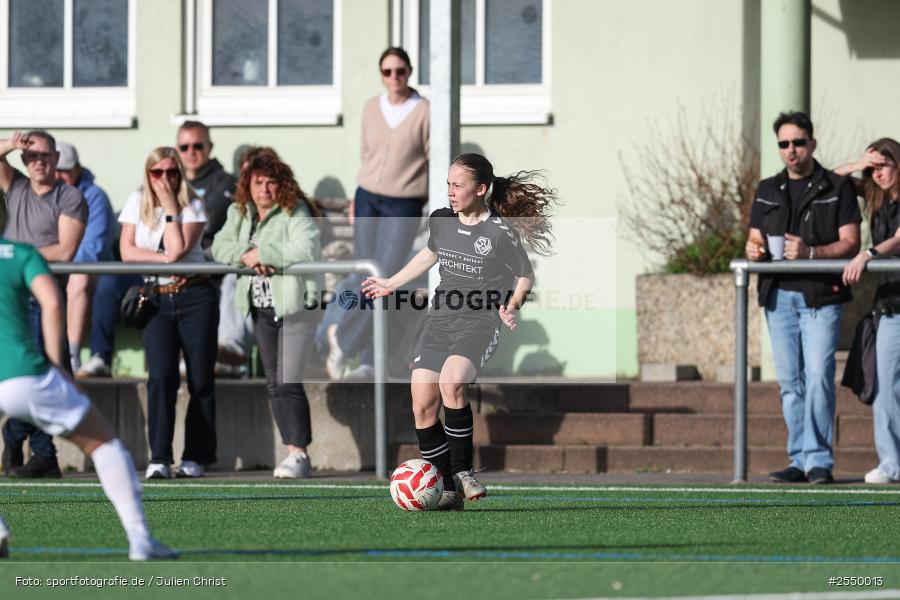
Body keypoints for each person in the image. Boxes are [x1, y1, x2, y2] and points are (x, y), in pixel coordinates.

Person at [362, 153, 556, 509]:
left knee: (452, 383)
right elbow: (428, 255)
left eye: (457, 185)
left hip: (479, 322)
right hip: (440, 321)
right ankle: (446, 487)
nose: (450, 191)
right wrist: (391, 283)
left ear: (481, 189)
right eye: (448, 184)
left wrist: (512, 305)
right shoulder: (441, 221)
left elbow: (526, 275)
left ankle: (463, 471)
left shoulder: (499, 233)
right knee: (422, 404)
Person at [0, 232, 176, 560]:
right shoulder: (23, 254)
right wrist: (58, 367)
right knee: (105, 444)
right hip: (24, 371)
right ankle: (141, 541)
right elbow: (52, 301)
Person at [745, 111, 861, 484]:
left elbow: (851, 242)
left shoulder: (837, 187)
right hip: (779, 297)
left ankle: (819, 461)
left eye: (797, 142)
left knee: (818, 377)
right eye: (784, 144)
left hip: (821, 297)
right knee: (790, 383)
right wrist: (753, 251)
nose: (791, 150)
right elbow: (755, 238)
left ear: (812, 143)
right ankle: (799, 457)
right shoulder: (767, 189)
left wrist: (811, 253)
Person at [212, 154, 323, 478]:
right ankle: (292, 451)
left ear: (282, 184)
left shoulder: (295, 210)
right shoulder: (240, 212)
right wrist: (249, 257)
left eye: (271, 182)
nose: (264, 189)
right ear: (248, 184)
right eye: (258, 182)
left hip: (296, 307)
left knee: (288, 381)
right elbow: (219, 247)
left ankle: (299, 453)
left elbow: (306, 249)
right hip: (261, 307)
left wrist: (268, 256)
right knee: (274, 383)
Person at [322, 46, 429, 381]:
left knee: (385, 277)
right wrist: (358, 199)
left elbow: (433, 156)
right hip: (368, 198)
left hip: (404, 203)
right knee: (365, 276)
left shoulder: (424, 111)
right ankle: (367, 361)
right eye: (387, 72)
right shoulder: (371, 107)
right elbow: (366, 153)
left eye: (400, 71)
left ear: (410, 72)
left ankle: (342, 339)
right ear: (381, 74)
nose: (394, 77)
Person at [119, 147, 218, 479]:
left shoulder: (194, 203)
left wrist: (173, 209)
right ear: (148, 174)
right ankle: (159, 457)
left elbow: (178, 249)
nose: (165, 179)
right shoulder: (137, 201)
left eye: (172, 172)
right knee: (160, 378)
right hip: (157, 298)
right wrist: (163, 259)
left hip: (195, 296)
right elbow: (126, 251)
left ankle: (196, 456)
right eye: (158, 173)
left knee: (200, 378)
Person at [0, 131, 87, 479]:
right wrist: (11, 142)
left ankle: (30, 445)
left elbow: (65, 251)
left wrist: (18, 260)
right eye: (31, 155)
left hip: (43, 297)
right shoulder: (17, 187)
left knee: (40, 374)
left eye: (45, 156)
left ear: (55, 158)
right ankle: (35, 448)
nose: (38, 161)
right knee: (21, 375)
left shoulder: (69, 197)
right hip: (11, 299)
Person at [838, 138, 900, 484]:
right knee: (886, 384)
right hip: (891, 306)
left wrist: (868, 253)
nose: (877, 175)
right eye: (872, 169)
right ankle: (892, 463)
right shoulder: (876, 198)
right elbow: (828, 180)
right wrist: (856, 164)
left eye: (883, 166)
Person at [176, 121, 246, 375]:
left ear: (210, 147)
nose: (191, 152)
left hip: (215, 261)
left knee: (233, 281)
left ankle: (229, 353)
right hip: (177, 261)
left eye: (197, 145)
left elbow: (213, 224)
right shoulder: (167, 179)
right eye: (184, 147)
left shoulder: (226, 183)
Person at [55, 142, 115, 374]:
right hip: (50, 268)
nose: (59, 176)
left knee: (77, 277)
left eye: (65, 171)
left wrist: (57, 259)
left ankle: (71, 355)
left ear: (78, 169)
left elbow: (93, 249)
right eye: (56, 170)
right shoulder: (42, 196)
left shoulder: (95, 197)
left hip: (89, 273)